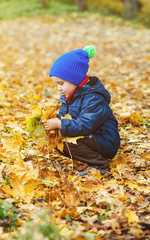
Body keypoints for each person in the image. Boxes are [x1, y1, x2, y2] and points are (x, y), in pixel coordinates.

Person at [42, 46, 120, 176]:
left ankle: (100, 165)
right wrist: (53, 122)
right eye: (56, 84)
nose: (59, 88)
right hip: (92, 137)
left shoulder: (93, 98)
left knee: (67, 143)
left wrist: (60, 124)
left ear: (75, 79)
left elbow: (86, 124)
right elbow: (64, 115)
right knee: (58, 141)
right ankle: (91, 158)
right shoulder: (70, 94)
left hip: (105, 141)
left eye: (61, 83)